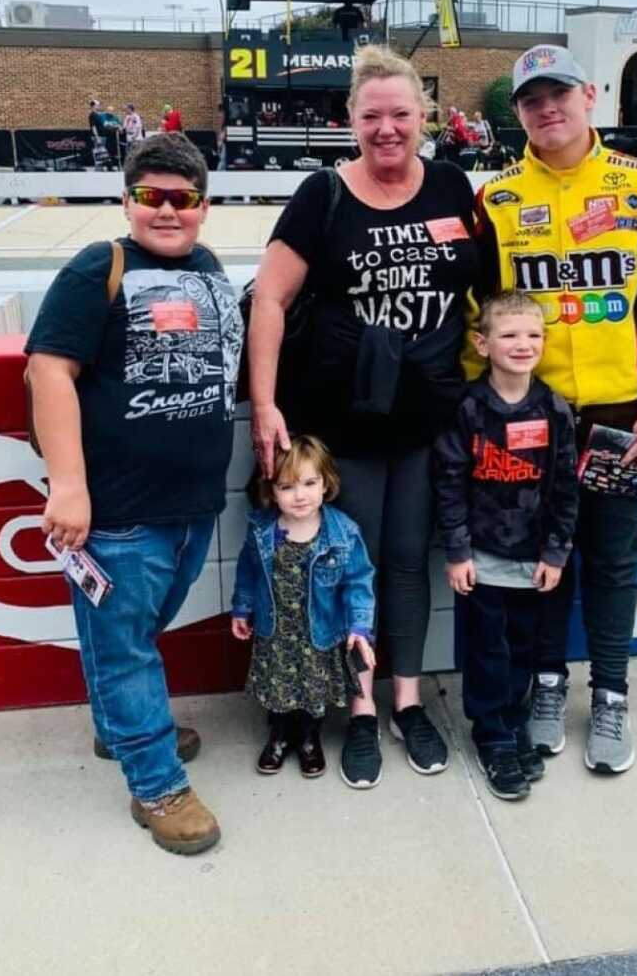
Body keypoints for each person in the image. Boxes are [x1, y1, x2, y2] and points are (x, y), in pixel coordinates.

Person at [248, 44, 479, 790]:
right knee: (355, 567)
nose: (388, 129)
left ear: (424, 117)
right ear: (351, 120)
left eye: (401, 114)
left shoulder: (450, 185)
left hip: (422, 422)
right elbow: (270, 302)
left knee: (410, 562)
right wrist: (263, 404)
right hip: (342, 427)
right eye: (372, 115)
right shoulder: (323, 196)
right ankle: (359, 710)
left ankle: (407, 703)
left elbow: (491, 296)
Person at [468, 44, 637, 775]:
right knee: (544, 561)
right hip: (529, 418)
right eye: (532, 99)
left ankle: (612, 696)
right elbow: (477, 309)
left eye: (559, 93)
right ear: (520, 113)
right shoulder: (496, 198)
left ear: (589, 95)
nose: (547, 108)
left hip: (622, 420)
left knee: (612, 562)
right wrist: (478, 401)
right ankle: (545, 685)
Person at [24, 132, 243, 855]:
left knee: (132, 640)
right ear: (127, 201)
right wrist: (70, 487)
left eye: (183, 199)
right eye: (152, 197)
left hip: (191, 506)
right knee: (124, 651)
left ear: (204, 207)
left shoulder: (210, 268)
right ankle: (157, 784)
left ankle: (124, 725)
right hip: (116, 513)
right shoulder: (99, 267)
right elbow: (48, 372)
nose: (168, 211)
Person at [435, 291, 579, 801]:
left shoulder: (554, 408)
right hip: (481, 559)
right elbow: (449, 481)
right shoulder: (469, 408)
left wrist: (556, 552)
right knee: (487, 650)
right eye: (510, 334)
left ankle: (514, 723)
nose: (523, 344)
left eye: (534, 335)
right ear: (483, 342)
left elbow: (565, 486)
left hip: (532, 559)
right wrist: (457, 551)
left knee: (522, 647)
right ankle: (491, 733)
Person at [231, 435, 376, 778]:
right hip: (277, 631)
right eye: (287, 486)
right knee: (279, 687)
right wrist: (242, 608)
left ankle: (310, 738)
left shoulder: (342, 534)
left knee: (314, 690)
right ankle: (280, 734)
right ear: (271, 491)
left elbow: (358, 581)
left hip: (319, 632)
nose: (300, 496)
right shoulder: (261, 530)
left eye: (310, 483)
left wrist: (359, 629)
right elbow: (248, 571)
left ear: (326, 484)